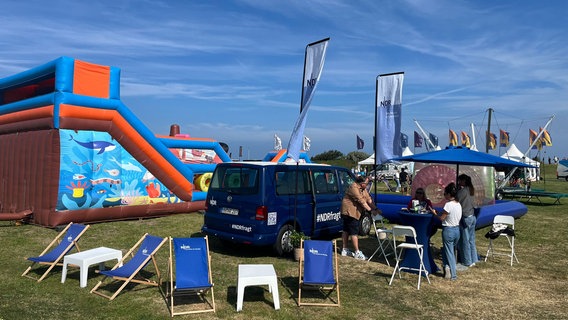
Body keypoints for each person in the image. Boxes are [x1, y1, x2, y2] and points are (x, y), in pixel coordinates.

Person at [341, 176, 381, 260]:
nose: (367, 185)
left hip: (354, 211)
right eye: (366, 184)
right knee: (353, 231)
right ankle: (357, 252)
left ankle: (345, 249)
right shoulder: (353, 187)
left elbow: (368, 199)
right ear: (361, 183)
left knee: (347, 229)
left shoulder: (363, 189)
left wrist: (375, 208)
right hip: (349, 211)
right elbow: (362, 201)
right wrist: (371, 211)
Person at [431, 183, 462, 280]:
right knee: (447, 250)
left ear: (449, 194)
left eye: (445, 194)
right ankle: (446, 267)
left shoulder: (448, 205)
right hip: (457, 229)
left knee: (449, 253)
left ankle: (453, 275)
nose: (444, 196)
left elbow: (441, 218)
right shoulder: (458, 204)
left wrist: (434, 214)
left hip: (448, 230)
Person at [457, 174, 478, 268]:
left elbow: (456, 200)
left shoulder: (463, 191)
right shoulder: (471, 190)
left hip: (465, 217)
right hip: (472, 216)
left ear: (463, 181)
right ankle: (474, 258)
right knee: (471, 240)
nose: (459, 182)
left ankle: (467, 261)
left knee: (465, 240)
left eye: (460, 181)